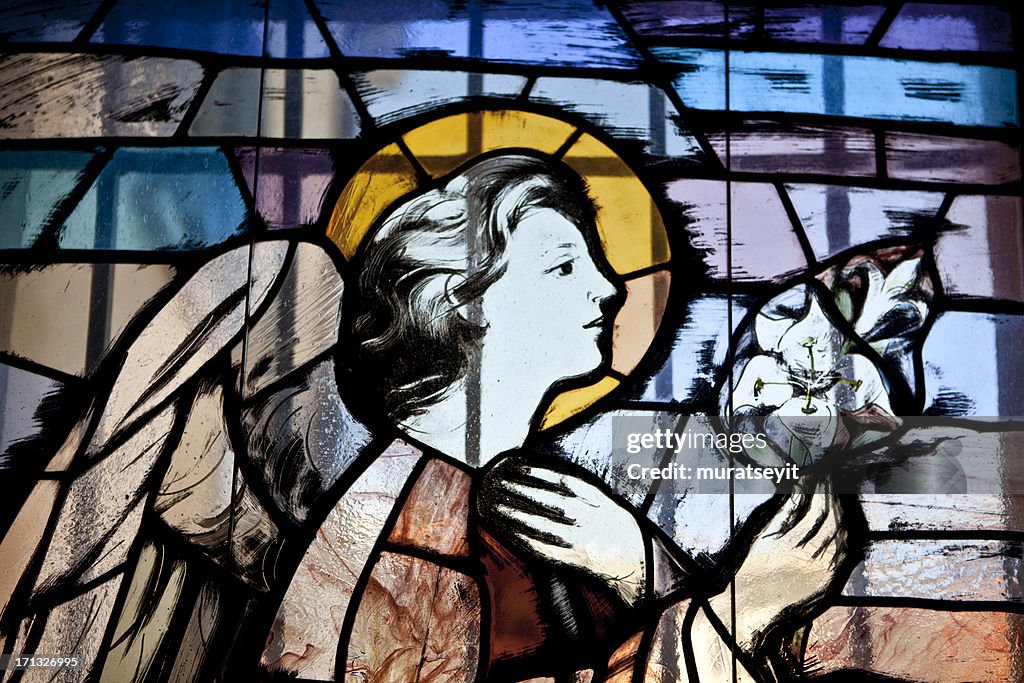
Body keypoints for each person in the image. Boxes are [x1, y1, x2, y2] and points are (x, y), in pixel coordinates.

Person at [0, 153, 846, 683]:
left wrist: (642, 573)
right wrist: (729, 612)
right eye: (563, 266)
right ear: (462, 302)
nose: (610, 288)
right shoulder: (397, 521)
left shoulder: (541, 503)